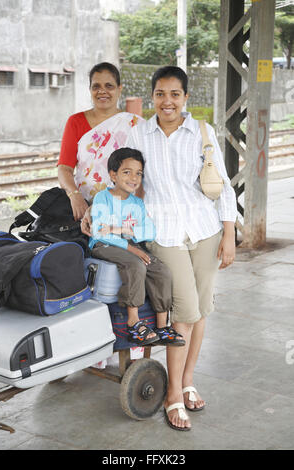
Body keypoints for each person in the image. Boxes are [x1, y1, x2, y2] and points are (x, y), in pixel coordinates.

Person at [122, 66, 237, 431]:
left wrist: (229, 233)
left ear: (186, 97)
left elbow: (222, 183)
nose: (167, 101)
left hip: (204, 230)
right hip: (165, 234)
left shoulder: (202, 132)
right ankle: (172, 395)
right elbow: (127, 180)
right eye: (160, 94)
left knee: (201, 310)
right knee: (184, 311)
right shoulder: (140, 134)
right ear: (152, 97)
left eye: (174, 94)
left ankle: (187, 380)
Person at [89, 147, 185, 347]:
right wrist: (130, 245)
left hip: (128, 244)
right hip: (103, 244)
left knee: (161, 270)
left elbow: (149, 232)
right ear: (113, 174)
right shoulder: (102, 198)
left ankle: (161, 326)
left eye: (138, 173)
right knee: (136, 265)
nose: (134, 177)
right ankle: (134, 323)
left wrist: (121, 229)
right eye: (127, 172)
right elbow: (100, 232)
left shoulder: (137, 203)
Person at [57, 62, 143, 219]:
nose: (102, 91)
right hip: (85, 207)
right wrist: (74, 195)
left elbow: (146, 172)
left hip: (125, 208)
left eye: (109, 86)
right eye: (96, 86)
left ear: (119, 89)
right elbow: (64, 168)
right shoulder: (76, 122)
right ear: (90, 90)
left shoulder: (134, 124)